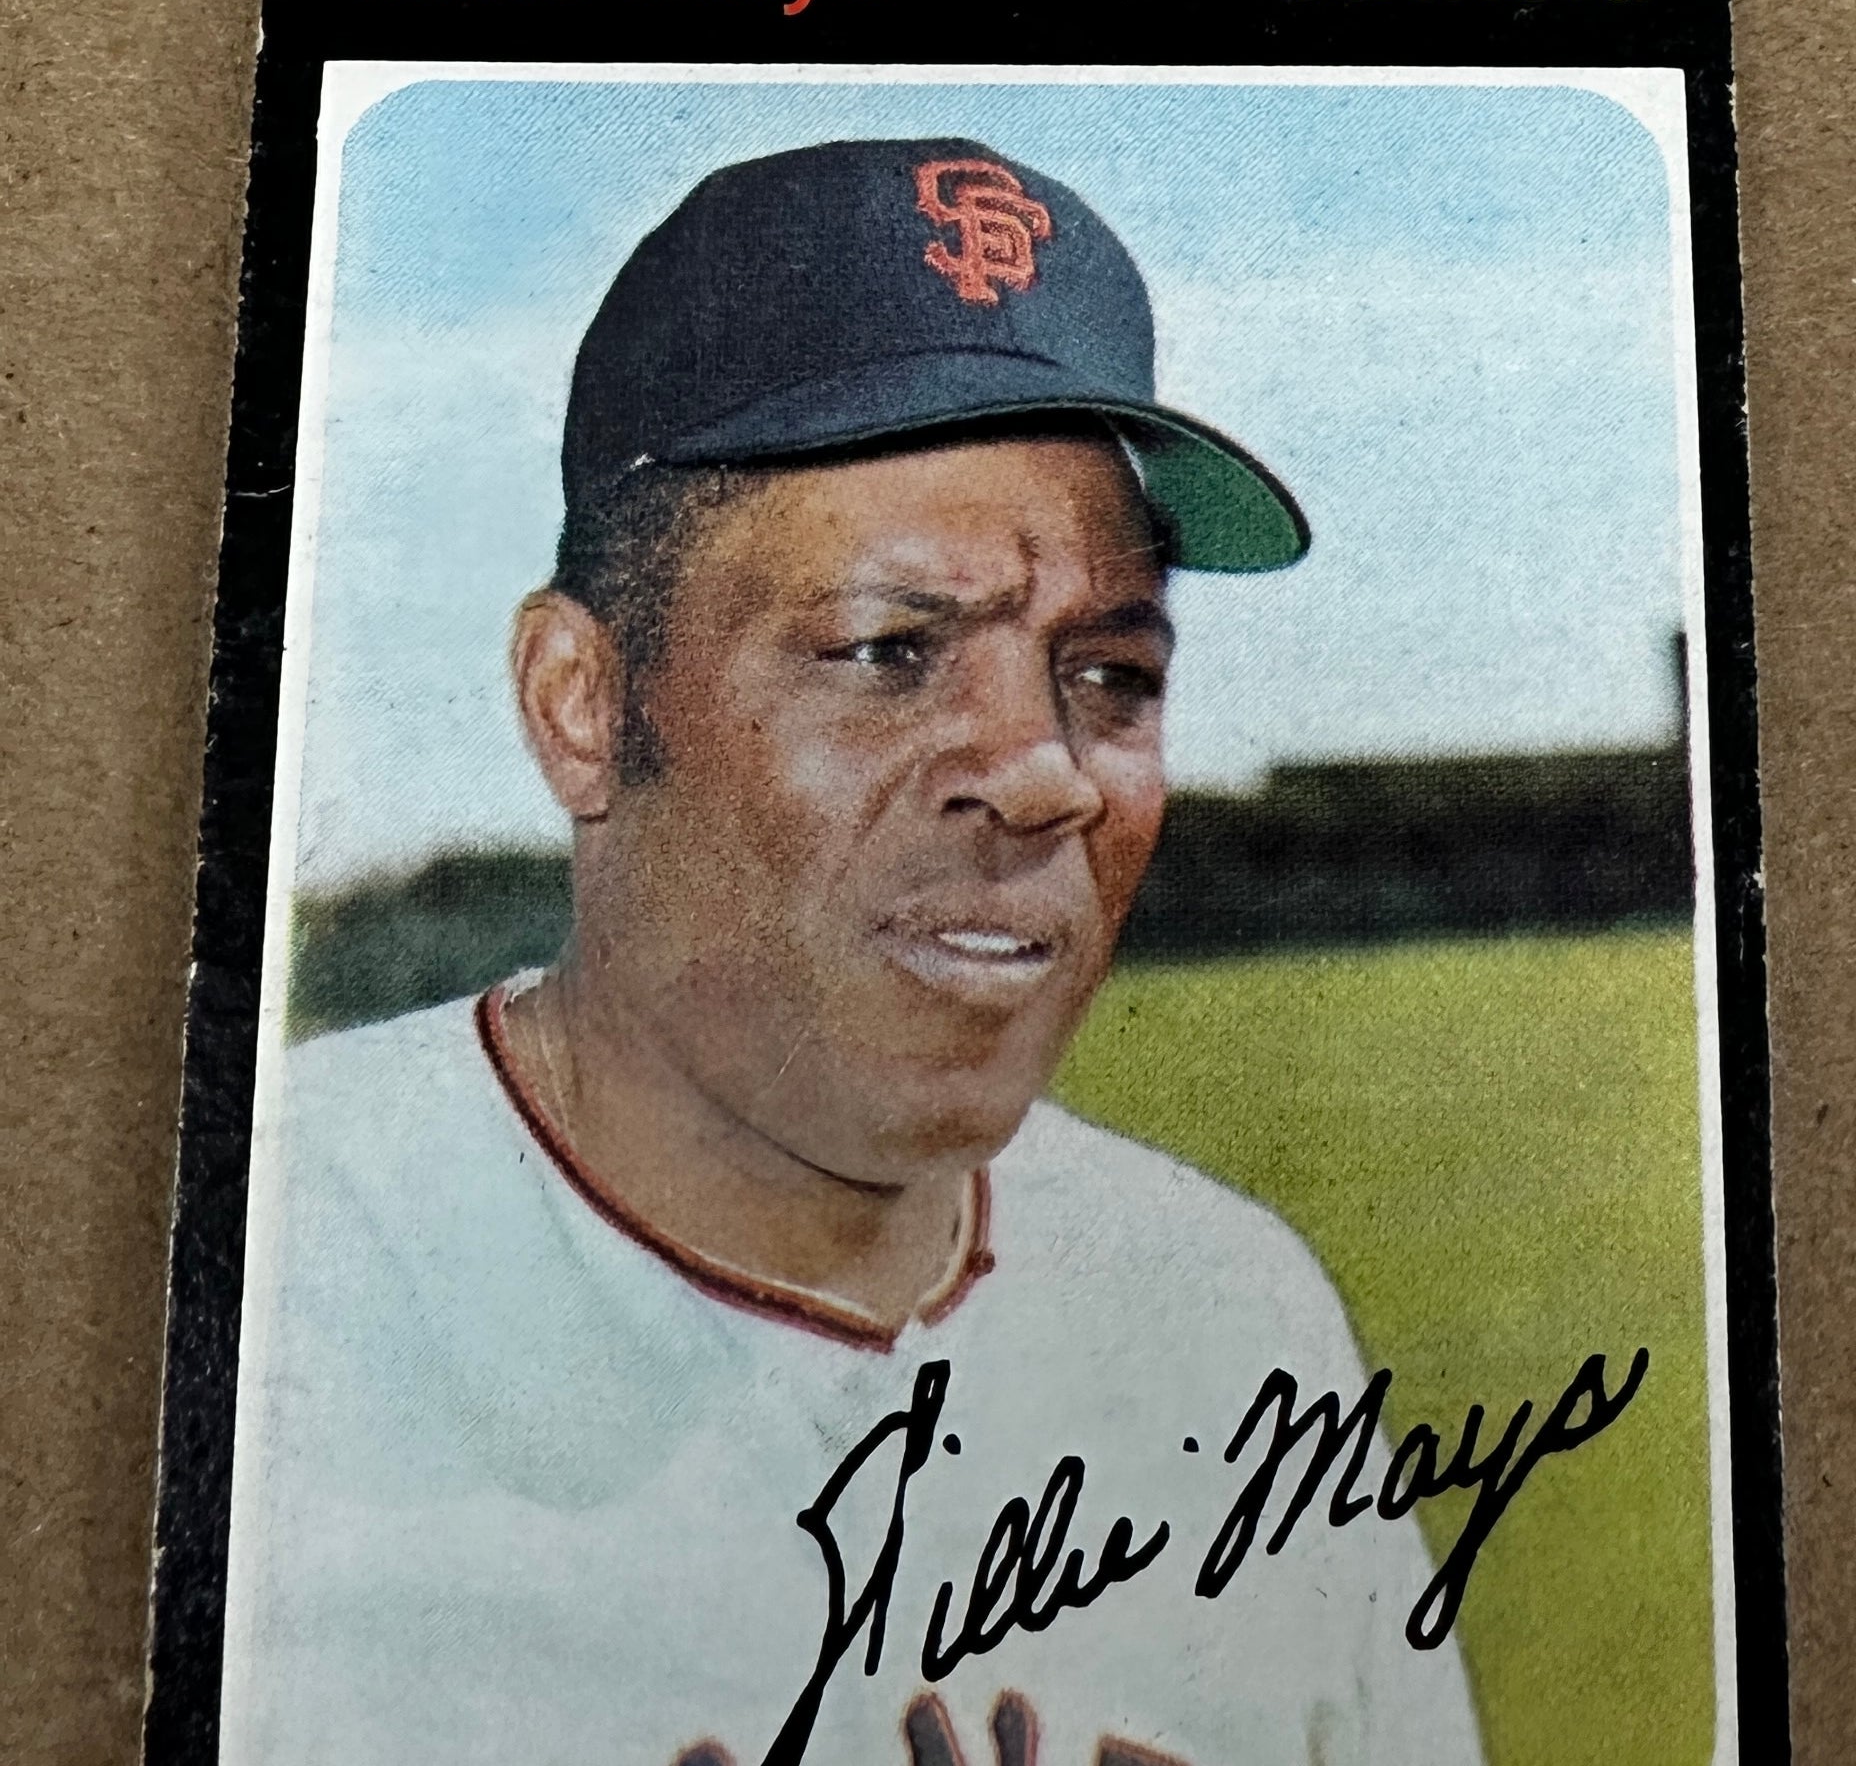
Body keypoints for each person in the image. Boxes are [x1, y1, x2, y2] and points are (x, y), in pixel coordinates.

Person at [223, 140, 1483, 1765]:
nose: (1043, 773)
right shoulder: (266, 1291)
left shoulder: (1231, 1315)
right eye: (890, 652)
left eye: (1110, 676)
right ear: (581, 706)